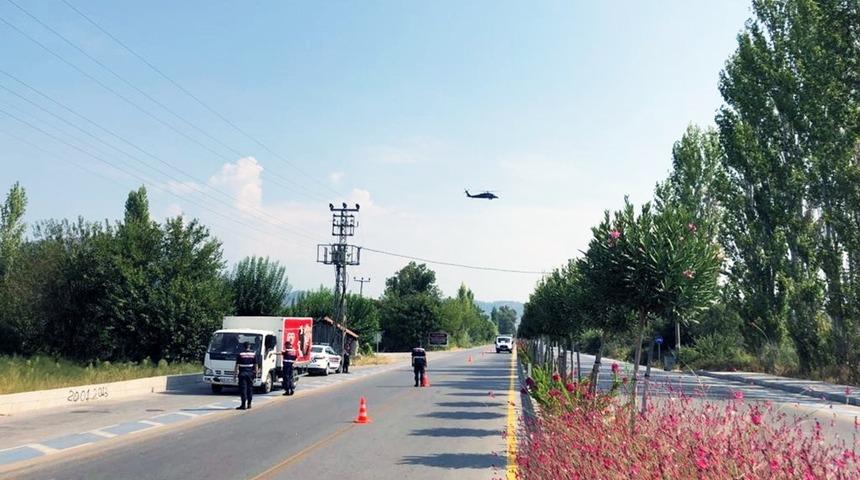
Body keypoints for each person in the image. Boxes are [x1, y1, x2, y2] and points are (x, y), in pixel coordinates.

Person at [234, 342, 259, 410]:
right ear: (249, 346)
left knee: (243, 389)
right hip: (250, 373)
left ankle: (243, 405)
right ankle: (249, 404)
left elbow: (237, 365)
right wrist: (256, 374)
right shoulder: (253, 354)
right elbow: (256, 365)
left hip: (242, 373)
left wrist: (235, 374)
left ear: (243, 347)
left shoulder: (240, 354)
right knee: (250, 389)